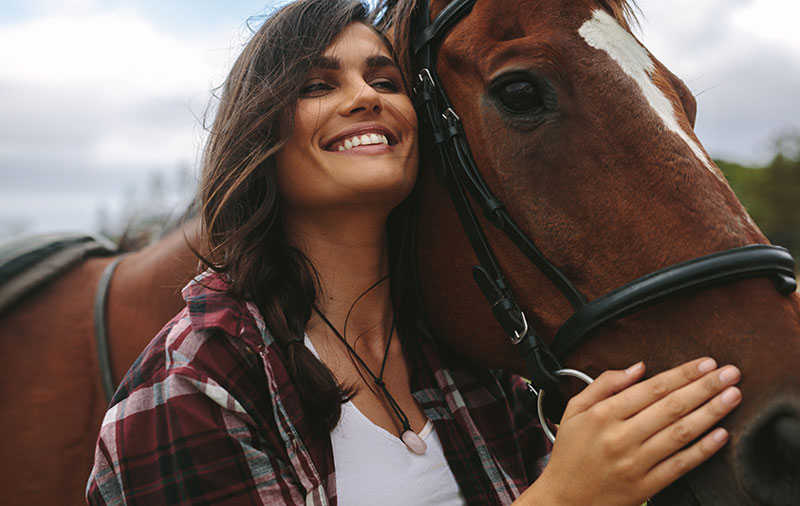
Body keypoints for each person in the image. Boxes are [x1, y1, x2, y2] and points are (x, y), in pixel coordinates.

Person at [86, 1, 742, 505]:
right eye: (318, 85)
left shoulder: (472, 367)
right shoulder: (195, 381)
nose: (365, 96)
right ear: (259, 136)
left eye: (384, 78)